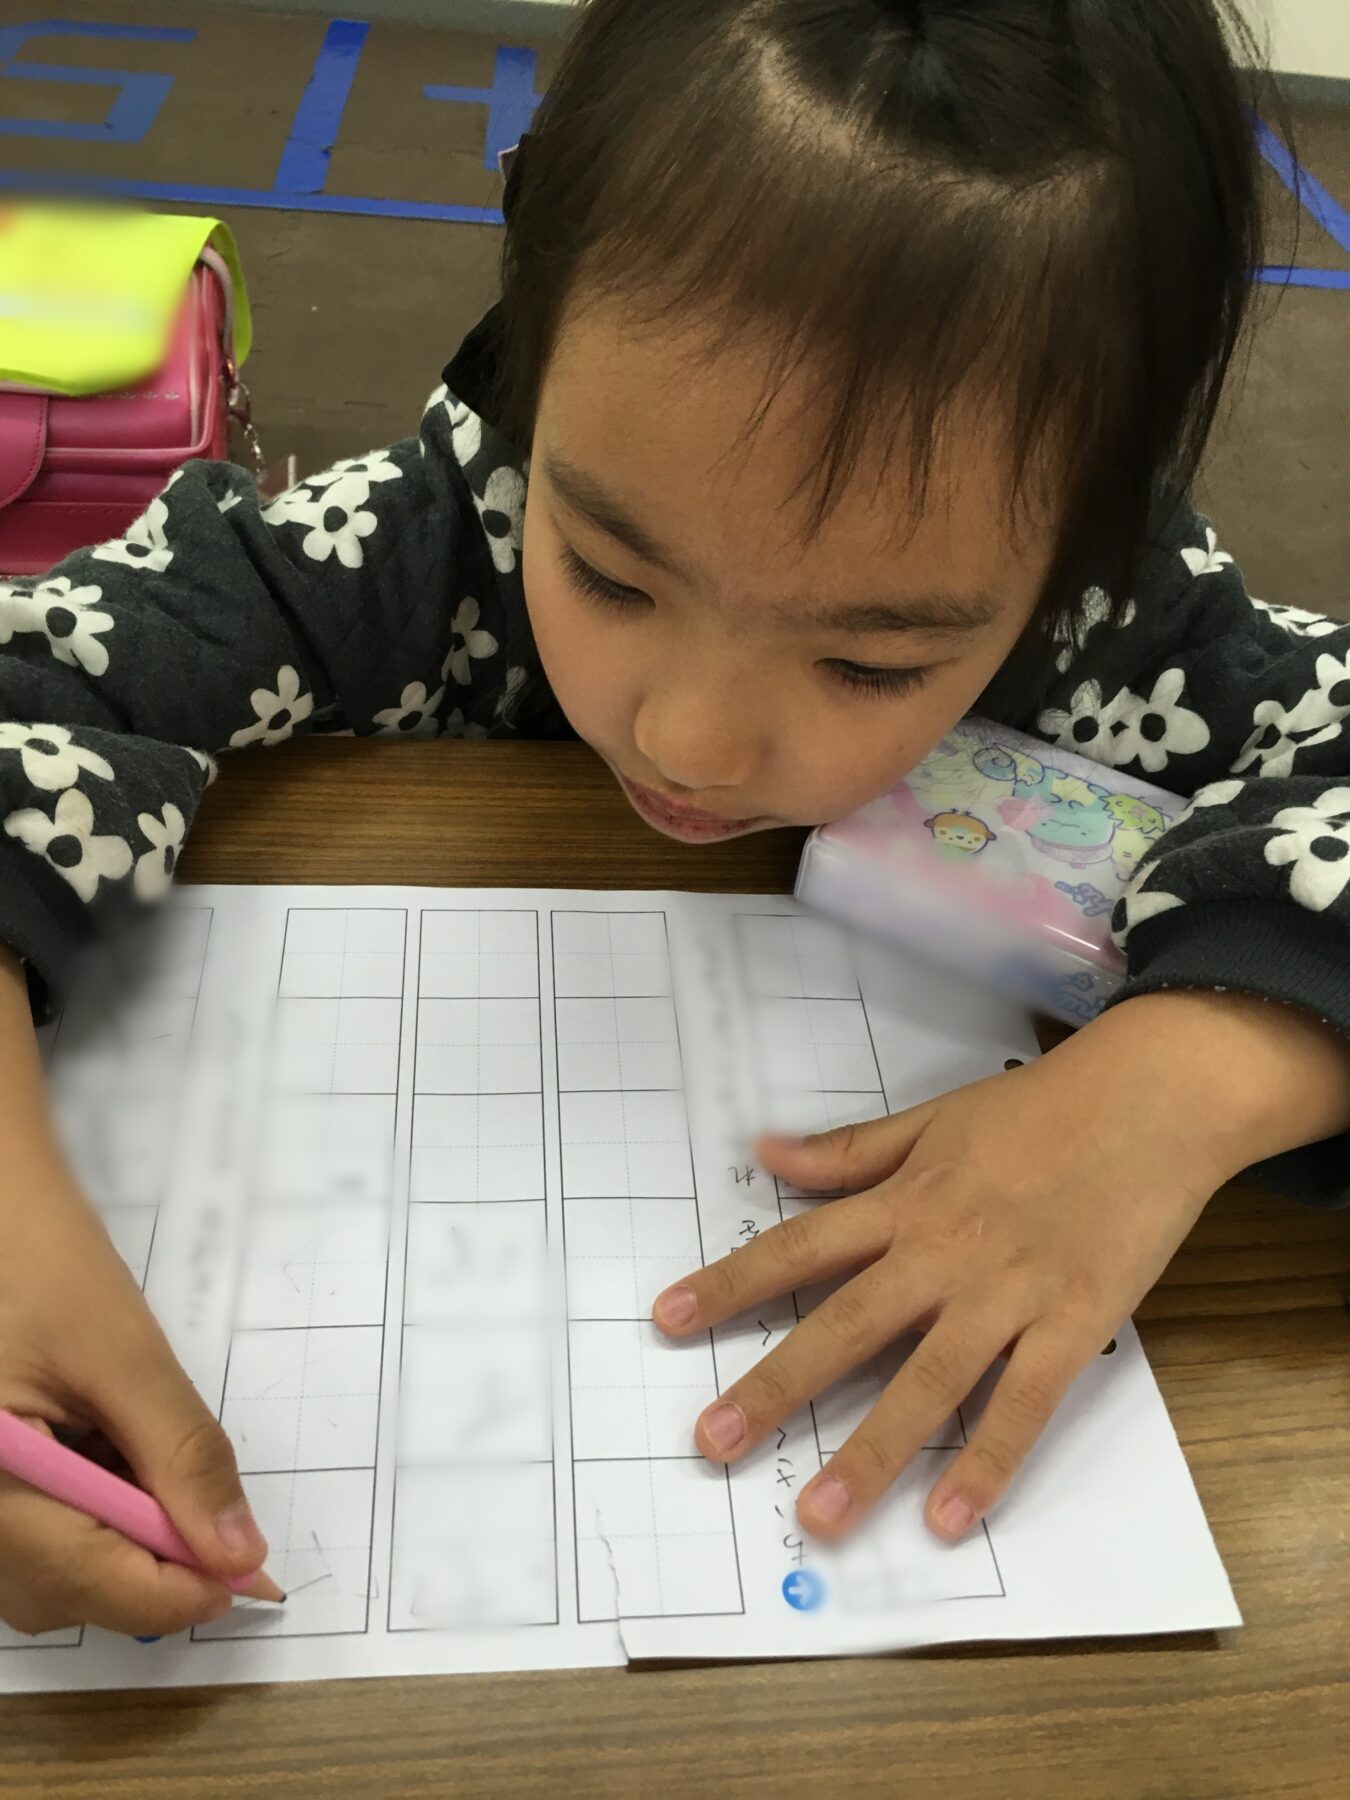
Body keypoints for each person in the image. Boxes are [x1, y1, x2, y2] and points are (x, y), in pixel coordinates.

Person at [1, 0, 1347, 1639]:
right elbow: (34, 671)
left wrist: (1178, 1087)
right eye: (611, 574)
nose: (687, 739)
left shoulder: (1116, 622)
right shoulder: (445, 530)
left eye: (868, 660)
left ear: (1080, 536)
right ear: (538, 346)